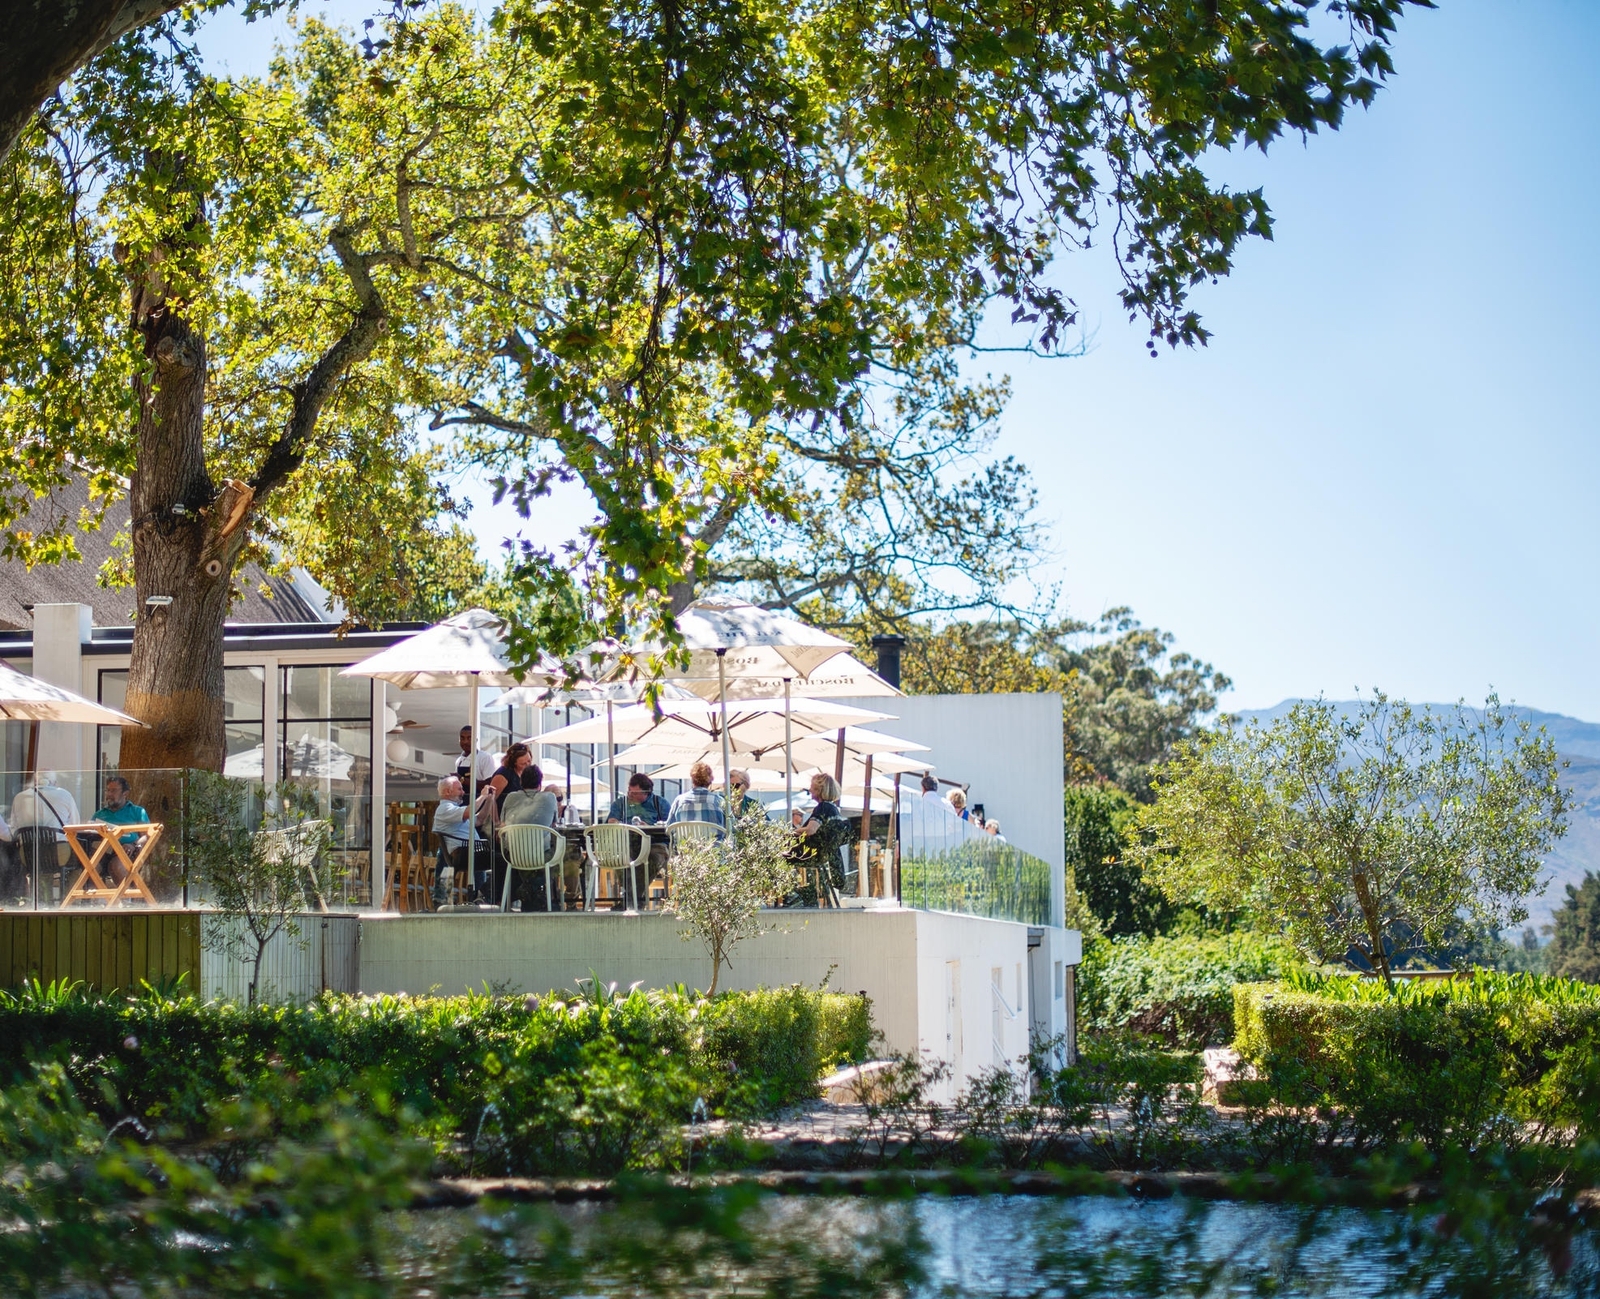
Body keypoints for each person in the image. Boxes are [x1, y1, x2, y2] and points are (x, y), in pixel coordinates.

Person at [795, 772, 849, 902]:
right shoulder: (833, 809)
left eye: (812, 788)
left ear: (819, 790)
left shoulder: (823, 807)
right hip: (826, 856)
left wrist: (790, 833)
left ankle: (787, 895)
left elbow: (810, 830)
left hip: (813, 856)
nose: (810, 790)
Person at [431, 775, 475, 906]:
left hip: (465, 849)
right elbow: (468, 813)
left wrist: (489, 800)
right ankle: (483, 893)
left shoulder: (453, 808)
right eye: (459, 789)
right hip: (461, 852)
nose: (463, 792)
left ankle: (481, 893)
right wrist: (483, 796)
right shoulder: (446, 808)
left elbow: (479, 819)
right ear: (448, 792)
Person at [667, 762, 726, 827]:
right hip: (713, 837)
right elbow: (732, 827)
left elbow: (669, 826)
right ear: (711, 779)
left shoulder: (679, 801)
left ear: (692, 779)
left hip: (685, 837)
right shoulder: (719, 801)